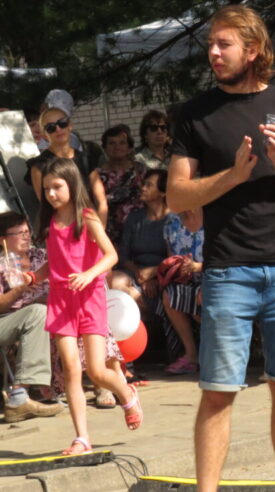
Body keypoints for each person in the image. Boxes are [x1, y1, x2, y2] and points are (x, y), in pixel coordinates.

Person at [167, 4, 275, 492]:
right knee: (217, 392)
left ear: (252, 50)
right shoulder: (194, 113)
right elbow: (176, 196)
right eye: (210, 44)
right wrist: (232, 175)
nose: (213, 52)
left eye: (223, 44)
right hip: (226, 272)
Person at [28, 158, 142, 455]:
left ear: (71, 184)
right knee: (70, 369)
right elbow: (54, 262)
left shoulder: (87, 217)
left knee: (97, 370)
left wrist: (90, 274)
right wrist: (33, 277)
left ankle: (126, 393)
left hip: (90, 299)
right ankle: (82, 438)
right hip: (60, 301)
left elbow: (111, 255)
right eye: (47, 189)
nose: (51, 194)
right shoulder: (50, 224)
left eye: (57, 187)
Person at [0, 211, 64, 423]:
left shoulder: (41, 256)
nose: (26, 236)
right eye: (19, 233)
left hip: (51, 312)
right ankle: (20, 397)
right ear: (2, 239)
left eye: (27, 231)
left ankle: (101, 384)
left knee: (72, 314)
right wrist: (20, 289)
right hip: (8, 319)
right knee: (38, 313)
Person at [26, 104, 108, 227]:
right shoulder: (39, 166)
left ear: (70, 125)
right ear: (44, 135)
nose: (58, 129)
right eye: (51, 127)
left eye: (62, 123)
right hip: (64, 229)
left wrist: (99, 230)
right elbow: (47, 207)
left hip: (92, 225)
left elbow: (101, 201)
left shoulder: (86, 158)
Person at [110, 169, 172, 312]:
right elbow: (124, 257)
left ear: (163, 192)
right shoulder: (134, 219)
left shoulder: (174, 221)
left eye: (149, 185)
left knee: (127, 296)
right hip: (136, 273)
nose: (143, 188)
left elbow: (176, 258)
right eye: (144, 184)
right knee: (114, 281)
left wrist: (155, 275)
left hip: (164, 275)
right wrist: (140, 275)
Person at [160, 208, 204, 375]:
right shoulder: (173, 221)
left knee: (203, 297)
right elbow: (171, 256)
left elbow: (225, 257)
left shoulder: (213, 214)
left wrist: (198, 267)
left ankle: (215, 354)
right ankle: (191, 355)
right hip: (188, 280)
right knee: (170, 295)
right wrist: (176, 269)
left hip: (216, 276)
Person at [97, 124, 146, 247]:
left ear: (129, 147)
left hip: (139, 230)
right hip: (110, 234)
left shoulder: (140, 170)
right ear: (105, 148)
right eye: (112, 143)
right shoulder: (97, 175)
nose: (117, 147)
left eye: (122, 143)